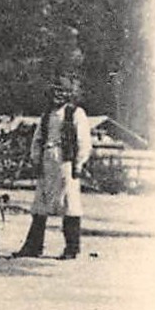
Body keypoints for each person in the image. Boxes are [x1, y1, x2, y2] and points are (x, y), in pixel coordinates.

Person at [14, 75, 94, 259]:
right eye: (54, 92)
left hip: (66, 162)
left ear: (68, 95)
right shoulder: (47, 115)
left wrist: (79, 163)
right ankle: (33, 246)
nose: (57, 96)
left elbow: (83, 140)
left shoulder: (75, 113)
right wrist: (36, 159)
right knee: (40, 205)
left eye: (61, 92)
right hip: (47, 161)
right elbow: (37, 139)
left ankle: (72, 248)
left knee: (69, 204)